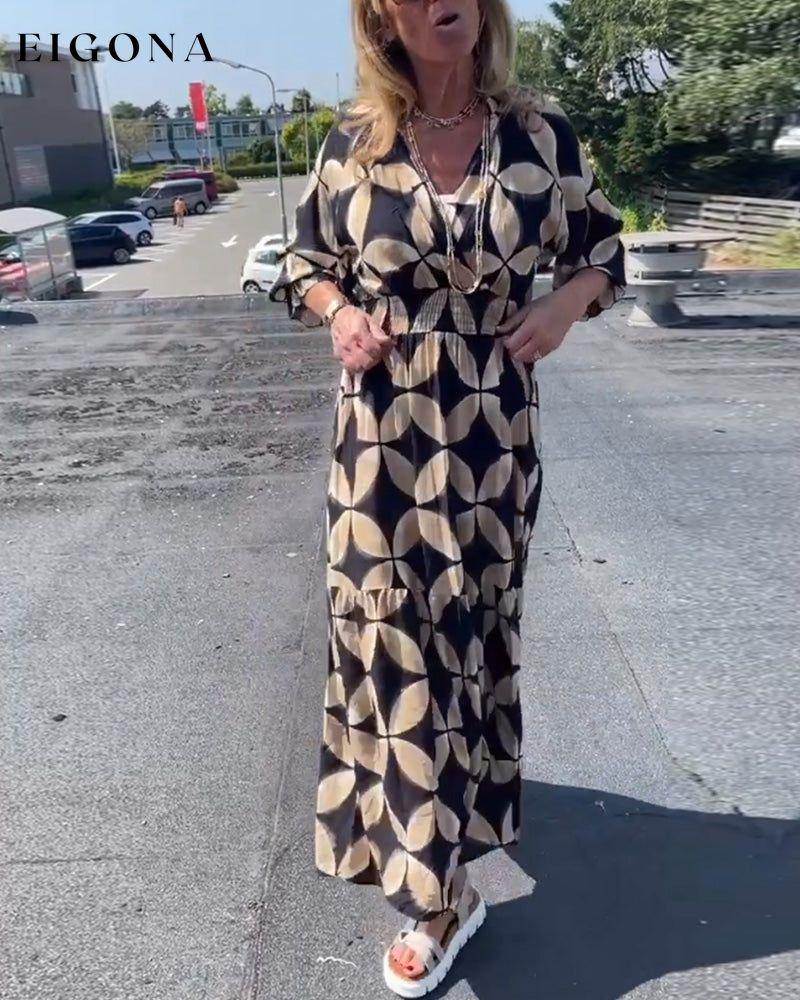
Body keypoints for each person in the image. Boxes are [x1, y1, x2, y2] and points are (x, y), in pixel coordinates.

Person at [270, 0, 626, 994]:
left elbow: (603, 249)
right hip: (380, 439)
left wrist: (564, 304)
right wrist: (338, 313)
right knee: (393, 634)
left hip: (489, 438)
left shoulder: (540, 134)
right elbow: (302, 263)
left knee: (467, 633)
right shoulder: (351, 141)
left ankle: (444, 834)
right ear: (382, 13)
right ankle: (440, 892)